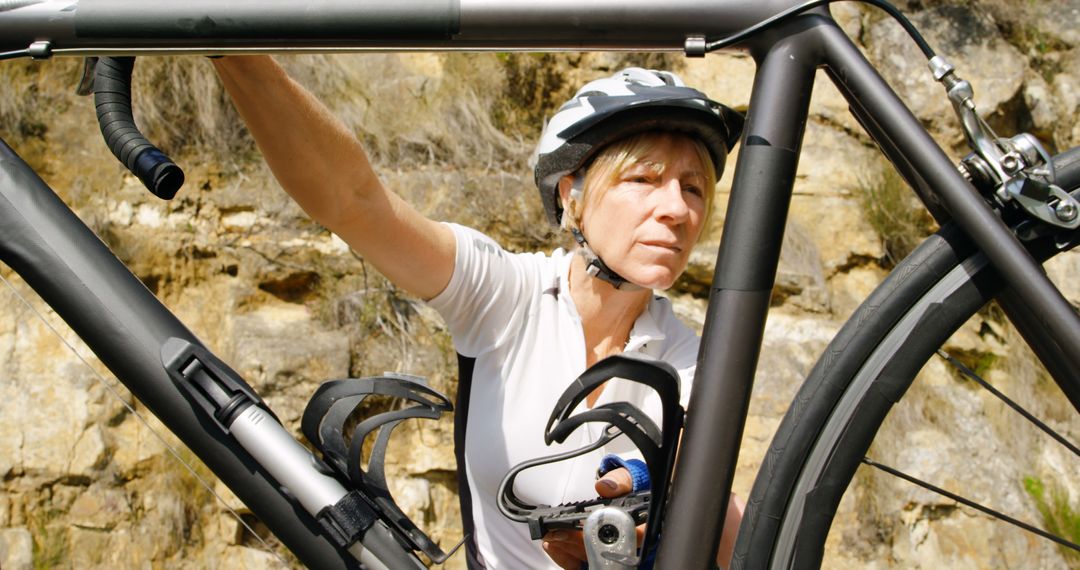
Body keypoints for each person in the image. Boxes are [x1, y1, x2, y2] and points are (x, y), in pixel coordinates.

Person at [213, 57, 745, 569]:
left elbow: (738, 535)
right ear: (572, 195)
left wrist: (673, 524)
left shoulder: (692, 362)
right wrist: (232, 49)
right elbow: (353, 202)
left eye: (693, 187)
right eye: (644, 180)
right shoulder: (505, 294)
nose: (677, 208)